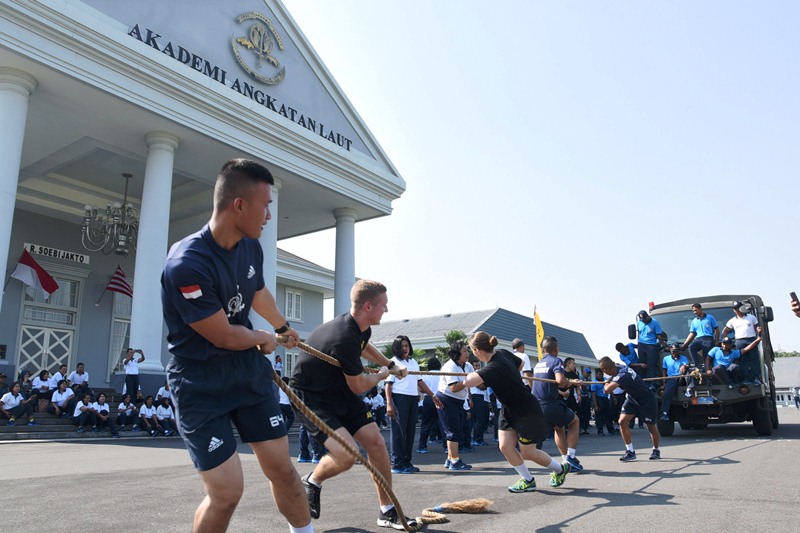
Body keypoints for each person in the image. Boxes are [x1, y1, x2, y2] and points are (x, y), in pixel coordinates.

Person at [160, 159, 311, 533]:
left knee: (284, 473)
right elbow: (224, 335)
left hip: (246, 371)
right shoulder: (186, 263)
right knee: (227, 493)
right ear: (239, 205)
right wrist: (264, 338)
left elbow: (256, 291)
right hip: (199, 379)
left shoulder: (250, 247)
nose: (270, 216)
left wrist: (282, 325)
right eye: (266, 205)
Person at [290, 279, 418, 530]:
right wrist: (383, 375)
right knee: (347, 455)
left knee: (377, 443)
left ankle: (387, 511)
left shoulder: (360, 327)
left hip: (338, 391)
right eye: (384, 305)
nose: (387, 310)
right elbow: (359, 386)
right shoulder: (343, 337)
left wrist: (390, 365)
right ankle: (312, 480)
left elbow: (365, 346)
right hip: (311, 396)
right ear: (368, 306)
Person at [464, 332, 571, 492]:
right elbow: (520, 364)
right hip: (508, 408)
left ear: (477, 350)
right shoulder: (502, 353)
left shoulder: (492, 367)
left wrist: (495, 374)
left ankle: (560, 469)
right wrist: (508, 376)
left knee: (528, 452)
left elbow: (468, 382)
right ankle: (527, 480)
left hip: (526, 410)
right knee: (505, 446)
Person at [385, 335, 442, 474]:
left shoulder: (413, 362)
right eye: (402, 346)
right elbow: (388, 384)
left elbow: (420, 381)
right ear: (397, 348)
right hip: (399, 398)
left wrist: (432, 395)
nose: (405, 348)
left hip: (413, 398)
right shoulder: (393, 362)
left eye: (406, 345)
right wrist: (389, 404)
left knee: (410, 432)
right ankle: (397, 463)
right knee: (399, 432)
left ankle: (407, 462)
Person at [532, 336, 583, 472]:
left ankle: (565, 458)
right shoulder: (556, 361)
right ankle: (570, 457)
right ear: (556, 349)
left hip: (538, 405)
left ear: (543, 350)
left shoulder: (539, 363)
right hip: (550, 403)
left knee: (559, 428)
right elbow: (560, 380)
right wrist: (572, 382)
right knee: (575, 422)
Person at [598, 356, 662, 461]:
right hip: (632, 399)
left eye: (603, 370)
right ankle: (630, 451)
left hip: (646, 400)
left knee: (651, 426)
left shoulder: (622, 376)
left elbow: (607, 390)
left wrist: (606, 383)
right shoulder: (619, 367)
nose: (603, 372)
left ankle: (656, 450)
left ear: (605, 370)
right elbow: (614, 374)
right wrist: (610, 379)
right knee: (622, 421)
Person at [436, 341, 473, 471]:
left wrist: (469, 398)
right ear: (457, 353)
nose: (467, 353)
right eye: (464, 351)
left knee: (455, 429)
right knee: (453, 431)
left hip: (459, 400)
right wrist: (467, 381)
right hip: (446, 399)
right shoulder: (449, 366)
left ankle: (450, 458)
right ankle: (455, 461)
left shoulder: (468, 366)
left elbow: (469, 385)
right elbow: (453, 388)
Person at [721, 301, 763, 385]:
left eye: (738, 308)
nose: (736, 310)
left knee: (754, 359)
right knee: (743, 361)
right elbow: (725, 331)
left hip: (751, 339)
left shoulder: (751, 317)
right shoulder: (732, 321)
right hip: (739, 341)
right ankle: (746, 379)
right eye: (735, 308)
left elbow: (757, 327)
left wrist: (759, 331)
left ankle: (755, 378)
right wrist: (726, 341)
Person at [660, 345, 695, 420]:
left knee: (689, 371)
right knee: (667, 393)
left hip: (681, 377)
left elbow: (687, 364)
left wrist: (684, 366)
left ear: (679, 351)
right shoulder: (666, 359)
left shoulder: (683, 358)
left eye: (675, 351)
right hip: (671, 378)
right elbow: (664, 371)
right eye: (673, 351)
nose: (674, 353)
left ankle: (689, 388)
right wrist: (664, 383)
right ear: (670, 351)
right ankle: (664, 413)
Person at [635, 311, 668, 388]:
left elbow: (659, 336)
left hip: (651, 345)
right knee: (642, 364)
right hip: (641, 345)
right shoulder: (639, 322)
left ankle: (652, 383)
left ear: (648, 316)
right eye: (642, 319)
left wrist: (665, 345)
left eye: (644, 319)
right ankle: (644, 382)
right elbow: (639, 334)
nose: (644, 321)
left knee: (651, 365)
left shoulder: (655, 322)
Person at [680, 303, 719, 368]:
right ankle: (697, 365)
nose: (694, 312)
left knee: (707, 358)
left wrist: (716, 341)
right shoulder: (694, 321)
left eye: (696, 310)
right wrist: (685, 344)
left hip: (708, 339)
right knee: (691, 347)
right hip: (698, 339)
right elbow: (692, 333)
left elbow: (717, 329)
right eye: (693, 311)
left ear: (700, 309)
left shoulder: (709, 317)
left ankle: (708, 370)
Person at [417, 356, 443, 453]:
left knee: (426, 424)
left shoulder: (425, 375)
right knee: (443, 423)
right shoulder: (443, 374)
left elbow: (421, 389)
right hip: (440, 398)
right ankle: (446, 447)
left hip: (428, 399)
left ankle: (422, 446)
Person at [591, 370, 614, 436]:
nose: (600, 376)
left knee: (608, 415)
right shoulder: (594, 382)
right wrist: (596, 405)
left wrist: (614, 398)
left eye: (601, 374)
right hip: (598, 398)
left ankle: (611, 430)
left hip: (605, 398)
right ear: (596, 375)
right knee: (599, 416)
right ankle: (600, 430)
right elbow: (594, 394)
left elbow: (610, 387)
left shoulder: (605, 380)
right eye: (599, 374)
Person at [577, 368, 592, 435]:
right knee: (580, 413)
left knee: (587, 413)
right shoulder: (579, 378)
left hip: (586, 397)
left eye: (589, 373)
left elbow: (589, 389)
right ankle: (579, 428)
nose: (588, 374)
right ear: (583, 372)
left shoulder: (589, 380)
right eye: (587, 372)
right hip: (580, 397)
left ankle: (584, 428)